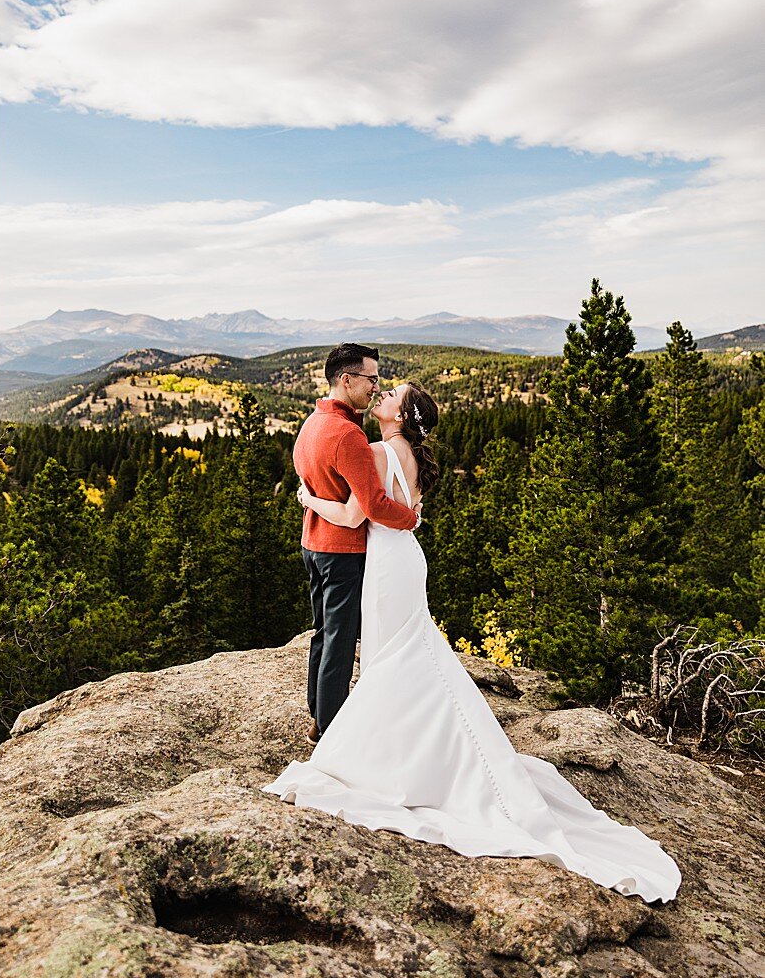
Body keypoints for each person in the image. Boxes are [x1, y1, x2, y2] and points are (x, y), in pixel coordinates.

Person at [266, 382, 679, 902]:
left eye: (391, 393)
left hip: (387, 567)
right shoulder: (408, 452)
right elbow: (404, 511)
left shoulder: (375, 450)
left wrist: (308, 498)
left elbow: (354, 515)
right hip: (403, 559)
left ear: (403, 414)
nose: (383, 394)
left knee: (391, 658)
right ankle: (414, 748)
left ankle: (388, 754)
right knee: (407, 652)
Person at [294, 343, 419, 742]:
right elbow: (374, 505)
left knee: (322, 631)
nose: (375, 387)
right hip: (341, 550)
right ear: (346, 380)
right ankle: (330, 726)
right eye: (371, 379)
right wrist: (411, 517)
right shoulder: (348, 434)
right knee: (340, 638)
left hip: (313, 543)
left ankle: (318, 711)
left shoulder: (312, 423)